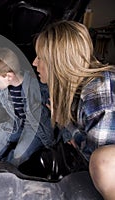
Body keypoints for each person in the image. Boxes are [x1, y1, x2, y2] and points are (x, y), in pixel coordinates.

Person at [32, 20, 115, 200]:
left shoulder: (97, 90)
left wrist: (66, 124)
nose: (34, 62)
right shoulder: (76, 92)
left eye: (40, 57)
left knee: (102, 160)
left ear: (58, 61)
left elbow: (98, 162)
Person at [0, 47, 54, 167]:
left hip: (36, 128)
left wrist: (65, 135)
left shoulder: (37, 87)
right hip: (17, 123)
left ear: (9, 76)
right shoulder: (4, 89)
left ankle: (8, 168)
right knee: (0, 135)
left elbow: (60, 111)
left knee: (19, 154)